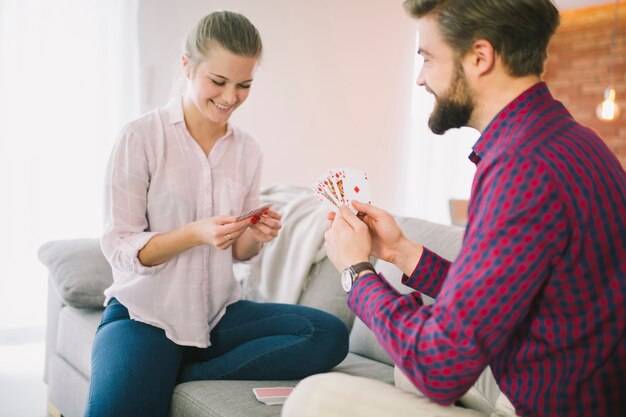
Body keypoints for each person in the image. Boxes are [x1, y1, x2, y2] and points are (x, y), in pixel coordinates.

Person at [282, 1, 626, 416]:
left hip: (551, 404)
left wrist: (356, 273)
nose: (420, 78)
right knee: (406, 367)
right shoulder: (573, 140)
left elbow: (441, 366)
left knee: (313, 399)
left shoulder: (520, 168)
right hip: (567, 376)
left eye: (427, 58)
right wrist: (400, 252)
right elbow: (494, 296)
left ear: (480, 57)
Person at [84, 11, 348, 417]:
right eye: (219, 82)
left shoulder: (247, 150)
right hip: (146, 314)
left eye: (244, 85)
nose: (230, 97)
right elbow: (120, 247)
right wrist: (193, 234)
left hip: (218, 316)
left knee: (326, 333)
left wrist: (253, 235)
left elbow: (238, 252)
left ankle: (186, 372)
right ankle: (162, 365)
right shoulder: (141, 137)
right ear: (187, 65)